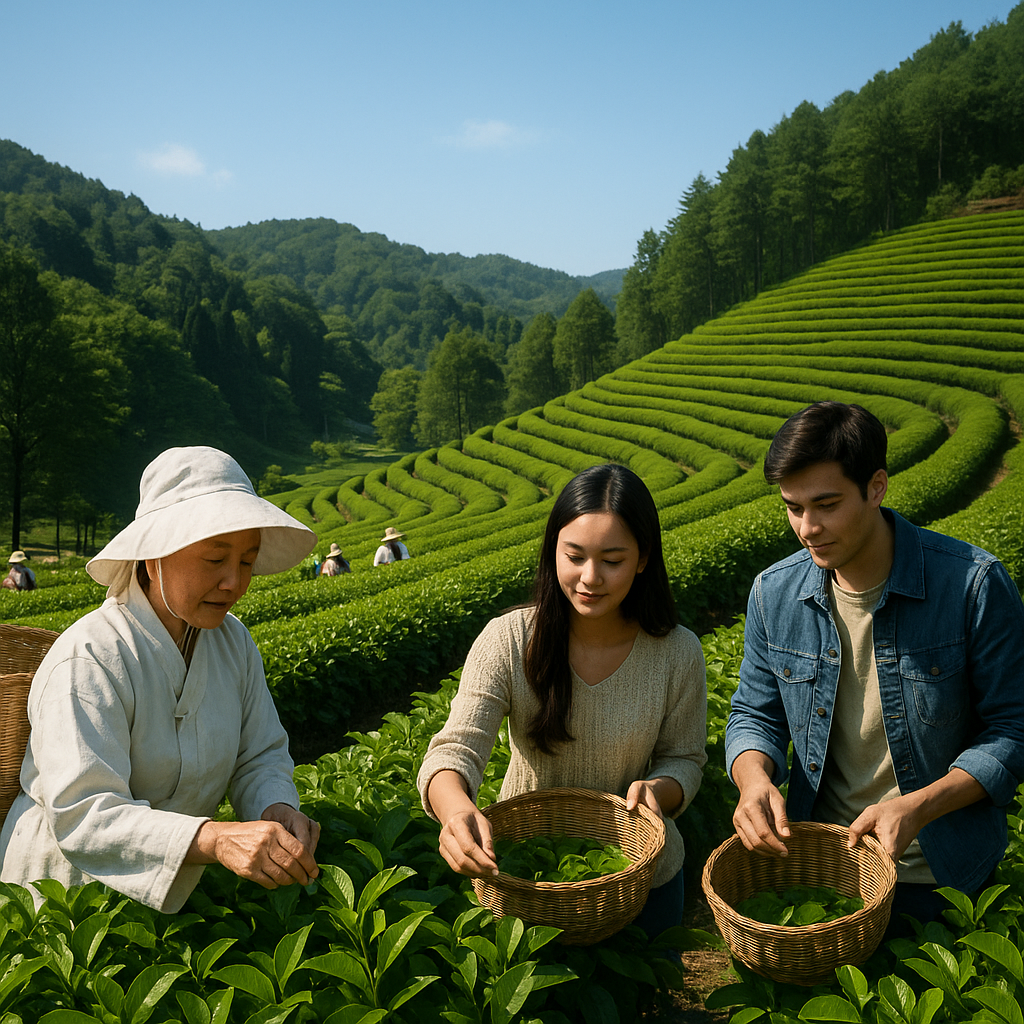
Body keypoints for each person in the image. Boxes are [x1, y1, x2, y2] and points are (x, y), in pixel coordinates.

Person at [726, 401, 1024, 934]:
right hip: (824, 866)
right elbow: (755, 712)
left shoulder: (972, 586)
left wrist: (918, 808)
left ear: (877, 487)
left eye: (826, 504)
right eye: (793, 508)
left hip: (942, 876)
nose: (807, 528)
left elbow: (1014, 729)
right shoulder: (774, 593)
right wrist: (752, 780)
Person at [0, 446, 322, 913]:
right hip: (61, 901)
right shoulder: (91, 656)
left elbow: (260, 755)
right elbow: (85, 815)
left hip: (171, 892)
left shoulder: (233, 644)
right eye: (215, 560)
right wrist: (212, 838)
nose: (234, 582)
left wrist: (275, 806)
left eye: (247, 561)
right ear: (153, 557)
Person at [417, 463, 707, 937]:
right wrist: (455, 811)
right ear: (553, 550)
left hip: (640, 878)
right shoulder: (510, 640)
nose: (590, 578)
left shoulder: (676, 652)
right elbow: (455, 750)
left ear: (643, 558)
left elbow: (685, 759)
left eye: (612, 560)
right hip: (527, 874)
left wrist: (658, 790)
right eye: (574, 556)